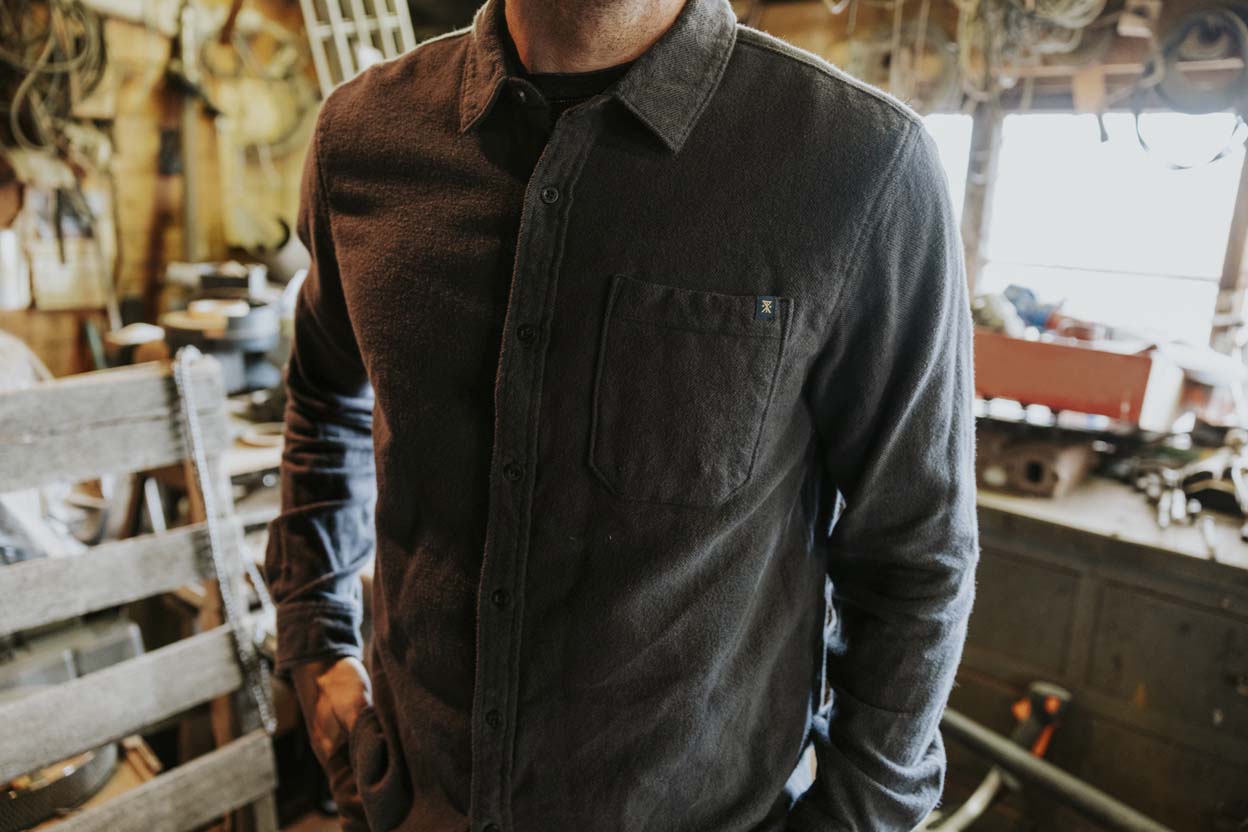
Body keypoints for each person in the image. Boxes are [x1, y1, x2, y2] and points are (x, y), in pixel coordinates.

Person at [265, 0, 979, 828]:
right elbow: (325, 398)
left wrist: (853, 818)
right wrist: (315, 635)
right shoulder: (361, 137)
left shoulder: (859, 164)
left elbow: (918, 550)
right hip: (417, 804)